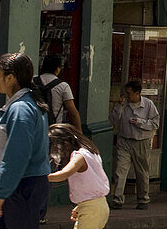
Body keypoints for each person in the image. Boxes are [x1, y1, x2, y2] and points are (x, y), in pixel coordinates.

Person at [0, 53, 51, 229]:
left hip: (22, 188)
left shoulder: (21, 108)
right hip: (17, 186)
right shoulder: (24, 105)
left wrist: (0, 194)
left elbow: (17, 155)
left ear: (10, 77)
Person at [47, 124, 110, 229]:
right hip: (94, 205)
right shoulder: (89, 152)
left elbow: (65, 173)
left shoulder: (80, 156)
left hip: (92, 208)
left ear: (64, 144)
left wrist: (44, 177)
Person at [109, 80, 159, 210]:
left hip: (141, 141)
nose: (127, 96)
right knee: (120, 170)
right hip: (125, 140)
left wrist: (141, 122)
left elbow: (155, 123)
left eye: (129, 93)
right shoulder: (123, 104)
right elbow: (113, 120)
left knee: (141, 172)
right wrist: (119, 106)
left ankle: (143, 199)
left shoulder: (148, 105)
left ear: (137, 93)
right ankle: (117, 199)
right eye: (126, 93)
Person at [34, 54, 82, 130]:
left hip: (35, 128)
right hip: (54, 130)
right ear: (57, 69)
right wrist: (80, 134)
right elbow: (73, 112)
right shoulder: (63, 86)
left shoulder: (32, 82)